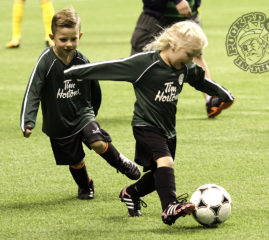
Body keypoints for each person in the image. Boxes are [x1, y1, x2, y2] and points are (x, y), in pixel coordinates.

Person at [64, 21, 234, 224]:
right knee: (166, 162)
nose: (191, 60)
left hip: (168, 129)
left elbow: (202, 81)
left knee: (159, 175)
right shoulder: (145, 64)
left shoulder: (185, 67)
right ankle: (169, 207)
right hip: (145, 125)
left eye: (194, 56)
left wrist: (222, 93)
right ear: (172, 45)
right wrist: (71, 72)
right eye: (189, 54)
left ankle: (131, 193)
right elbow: (110, 67)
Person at [20, 7, 141, 200]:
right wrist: (28, 120)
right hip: (58, 122)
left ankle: (120, 162)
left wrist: (92, 113)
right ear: (52, 37)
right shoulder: (46, 61)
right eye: (63, 39)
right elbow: (33, 91)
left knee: (98, 142)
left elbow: (94, 88)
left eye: (73, 39)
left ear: (80, 36)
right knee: (75, 161)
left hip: (83, 114)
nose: (69, 44)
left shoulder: (81, 59)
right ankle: (86, 185)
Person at [130, 0, 231, 118]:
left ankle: (211, 99)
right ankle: (153, 105)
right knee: (140, 59)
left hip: (187, 13)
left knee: (195, 53)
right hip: (157, 14)